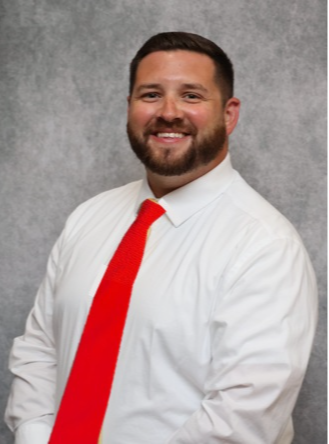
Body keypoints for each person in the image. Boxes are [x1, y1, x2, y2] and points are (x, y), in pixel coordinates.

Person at [5, 32, 318, 444]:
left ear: (229, 114)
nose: (169, 113)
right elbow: (40, 349)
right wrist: (35, 435)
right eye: (151, 94)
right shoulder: (88, 217)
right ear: (130, 108)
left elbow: (241, 418)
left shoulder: (264, 245)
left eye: (191, 96)